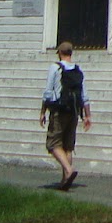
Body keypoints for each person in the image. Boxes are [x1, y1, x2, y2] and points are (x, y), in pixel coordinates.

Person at [40, 40, 92, 190]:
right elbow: (85, 95)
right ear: (71, 53)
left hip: (59, 110)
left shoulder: (55, 68)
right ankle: (65, 181)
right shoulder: (78, 70)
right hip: (74, 112)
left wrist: (43, 111)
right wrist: (88, 115)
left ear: (60, 53)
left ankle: (69, 170)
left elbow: (48, 92)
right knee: (68, 146)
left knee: (53, 144)